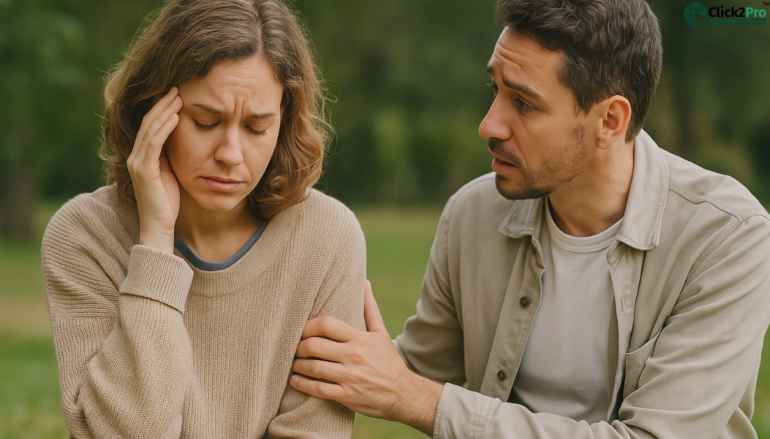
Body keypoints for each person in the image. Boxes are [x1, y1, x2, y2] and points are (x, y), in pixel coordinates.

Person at [289, 0, 770, 437]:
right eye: (494, 89)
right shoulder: (472, 215)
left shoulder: (728, 238)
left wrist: (417, 399)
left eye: (523, 103)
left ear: (610, 121)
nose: (489, 125)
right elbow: (412, 372)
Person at [40, 0, 365, 437]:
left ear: (284, 124)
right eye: (206, 121)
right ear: (152, 110)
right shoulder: (83, 237)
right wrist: (156, 241)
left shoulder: (329, 238)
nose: (230, 154)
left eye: (255, 127)